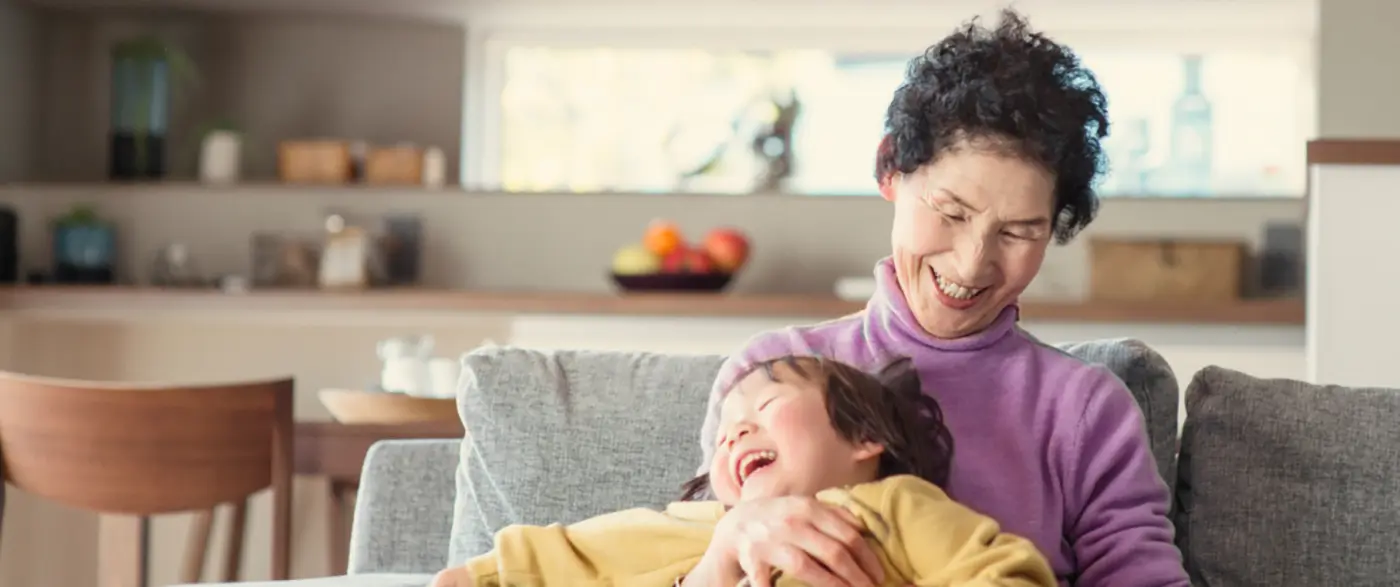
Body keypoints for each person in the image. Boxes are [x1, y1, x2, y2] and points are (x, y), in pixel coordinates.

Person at [686, 10, 1189, 587]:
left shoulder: (1084, 411)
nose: (972, 263)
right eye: (950, 213)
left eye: (1019, 232)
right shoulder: (767, 379)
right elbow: (671, 553)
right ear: (890, 171)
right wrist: (724, 548)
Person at [430, 355, 1057, 587]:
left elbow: (1006, 575)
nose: (734, 430)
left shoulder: (894, 507)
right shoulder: (687, 528)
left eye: (766, 404)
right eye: (727, 426)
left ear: (865, 438)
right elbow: (545, 561)